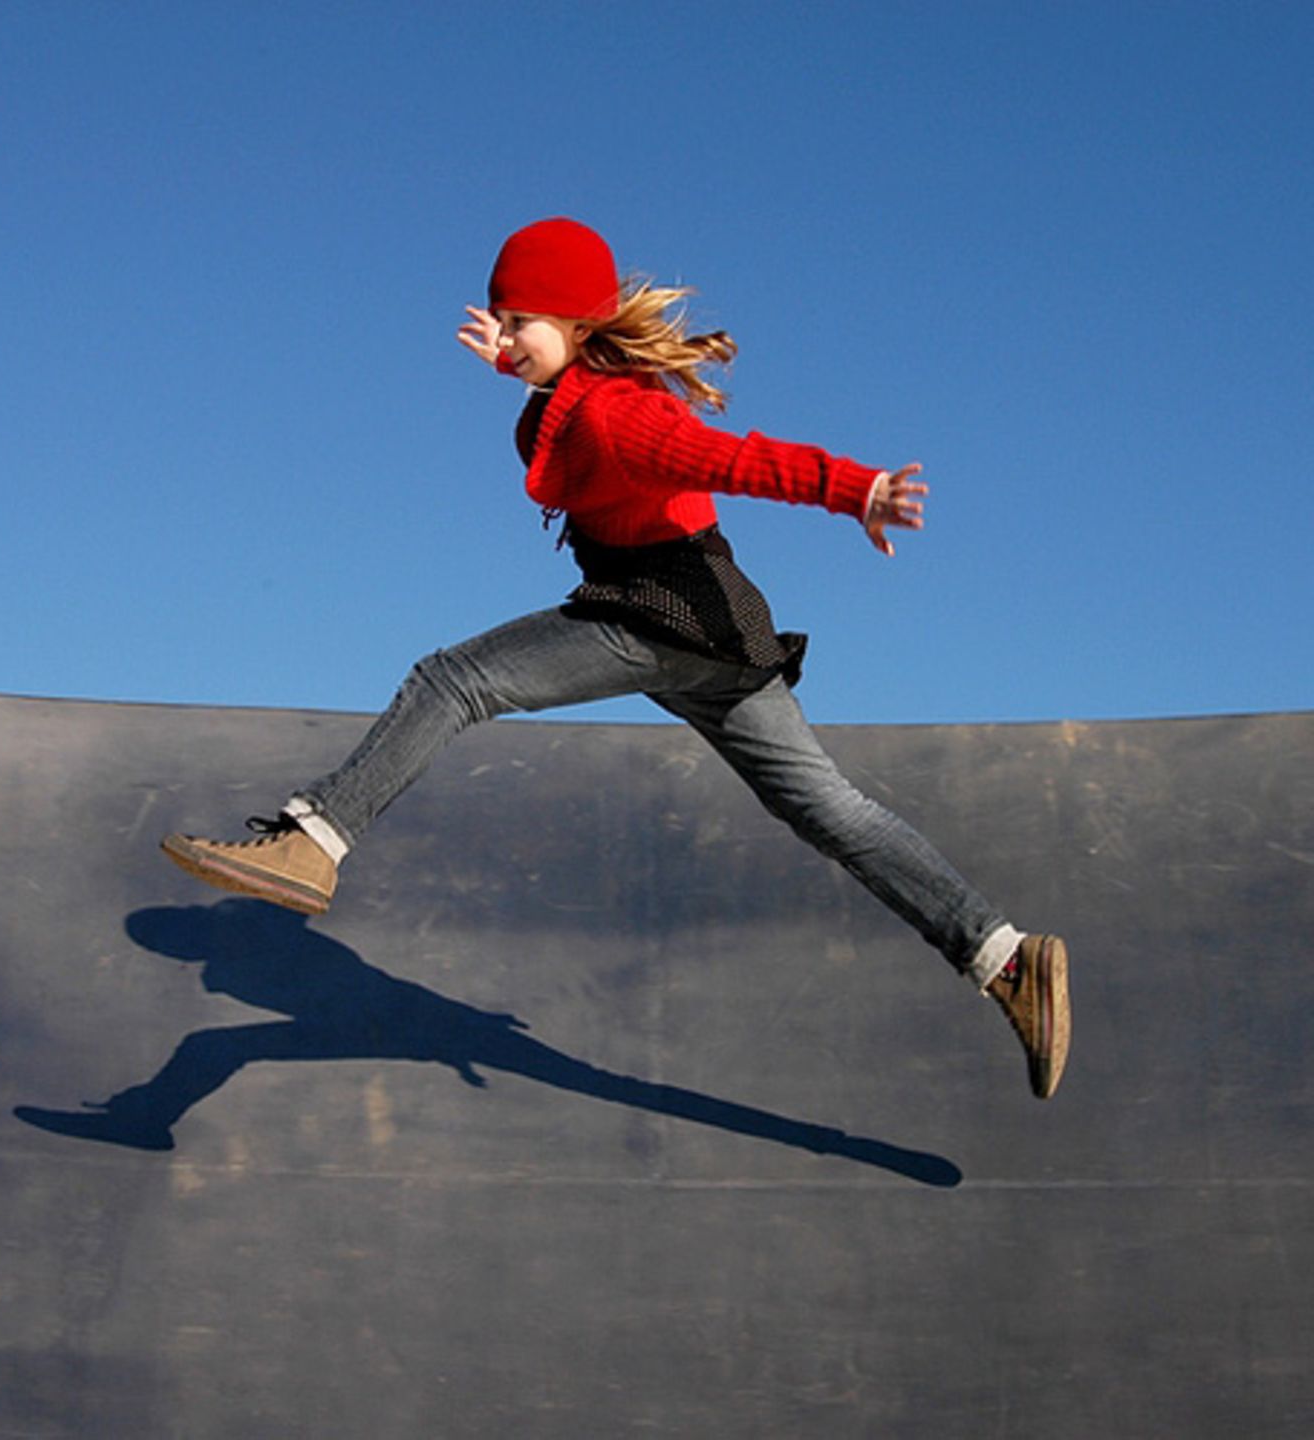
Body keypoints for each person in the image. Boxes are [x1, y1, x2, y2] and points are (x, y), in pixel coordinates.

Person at [162, 218, 1071, 1098]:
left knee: (453, 680)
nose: (506, 337)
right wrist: (522, 373)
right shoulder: (578, 401)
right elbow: (557, 437)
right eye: (503, 322)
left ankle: (313, 843)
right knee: (830, 807)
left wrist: (856, 489)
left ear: (576, 323)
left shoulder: (618, 416)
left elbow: (736, 459)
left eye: (522, 323)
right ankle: (1005, 957)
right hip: (720, 631)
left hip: (656, 613)